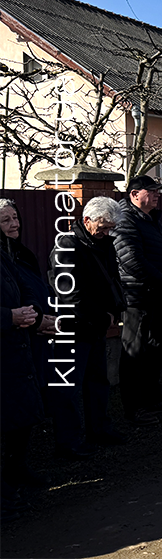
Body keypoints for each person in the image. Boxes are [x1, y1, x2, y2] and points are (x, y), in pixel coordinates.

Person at [46, 196, 129, 460]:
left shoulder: (103, 243)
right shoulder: (67, 246)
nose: (107, 233)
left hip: (95, 324)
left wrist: (113, 311)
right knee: (67, 388)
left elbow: (111, 279)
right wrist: (101, 316)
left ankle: (99, 429)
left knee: (98, 381)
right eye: (103, 227)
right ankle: (68, 441)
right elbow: (69, 294)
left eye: (110, 228)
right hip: (73, 327)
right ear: (86, 221)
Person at [114, 175, 162, 425]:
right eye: (152, 191)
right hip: (137, 296)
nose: (157, 195)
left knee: (157, 347)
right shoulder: (124, 219)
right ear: (135, 194)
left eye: (158, 191)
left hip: (159, 294)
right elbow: (131, 259)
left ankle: (153, 398)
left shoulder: (153, 218)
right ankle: (134, 407)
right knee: (135, 350)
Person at [0, 214, 45, 514]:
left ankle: (16, 471)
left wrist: (32, 313)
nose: (15, 223)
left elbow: (24, 285)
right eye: (6, 219)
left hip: (16, 346)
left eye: (16, 217)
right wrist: (9, 317)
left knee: (20, 416)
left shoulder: (4, 255)